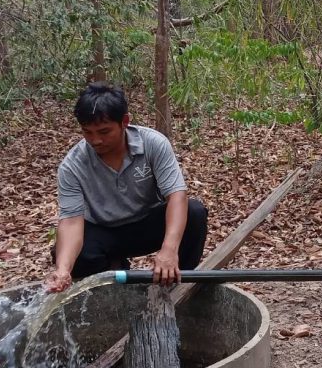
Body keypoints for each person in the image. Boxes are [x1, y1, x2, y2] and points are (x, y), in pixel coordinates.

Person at [44, 83, 208, 292]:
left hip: (146, 222)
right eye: (88, 132)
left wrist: (169, 250)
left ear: (125, 122)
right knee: (75, 254)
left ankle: (176, 282)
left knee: (194, 213)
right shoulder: (72, 165)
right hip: (105, 230)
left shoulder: (153, 144)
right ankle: (113, 284)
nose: (96, 140)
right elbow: (71, 221)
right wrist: (63, 269)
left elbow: (176, 195)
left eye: (104, 131)